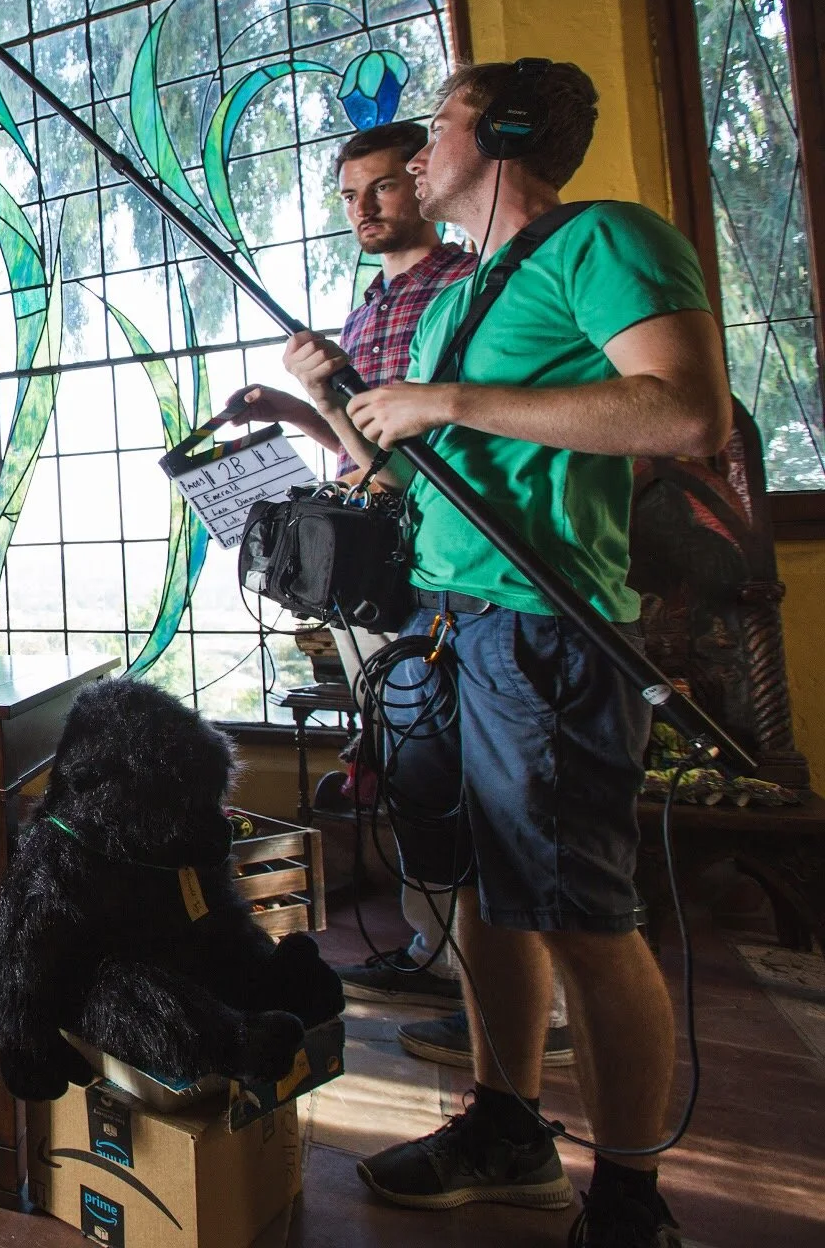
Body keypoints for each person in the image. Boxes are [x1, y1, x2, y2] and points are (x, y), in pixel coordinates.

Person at [288, 60, 730, 1247]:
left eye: (441, 123)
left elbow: (688, 411)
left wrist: (453, 401)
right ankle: (508, 1125)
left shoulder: (606, 240)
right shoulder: (452, 302)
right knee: (481, 888)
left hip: (545, 628)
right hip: (448, 624)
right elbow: (397, 470)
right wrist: (343, 404)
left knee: (584, 910)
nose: (422, 147)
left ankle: (631, 1200)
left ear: (510, 134)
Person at [230, 123, 580, 1072]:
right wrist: (302, 404)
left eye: (383, 188)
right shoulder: (374, 302)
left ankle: (514, 997)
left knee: (492, 792)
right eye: (349, 196)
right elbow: (366, 446)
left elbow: (435, 445)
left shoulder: (464, 288)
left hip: (465, 572)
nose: (365, 209)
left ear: (425, 182)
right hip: (385, 564)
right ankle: (442, 956)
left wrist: (353, 423)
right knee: (415, 769)